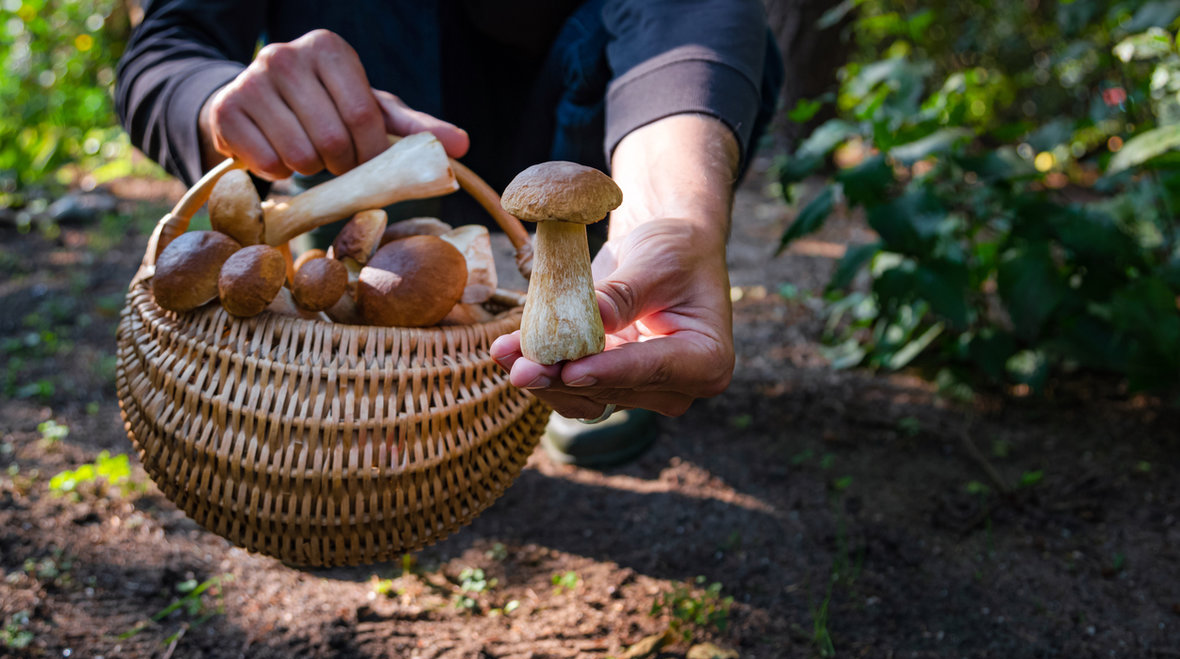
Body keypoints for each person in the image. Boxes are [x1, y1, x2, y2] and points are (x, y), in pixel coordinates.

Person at [116, 0, 783, 464]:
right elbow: (166, 50)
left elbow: (693, 9)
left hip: (567, 124)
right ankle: (360, 356)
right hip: (358, 164)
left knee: (740, 48)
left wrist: (669, 212)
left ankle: (598, 319)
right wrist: (226, 106)